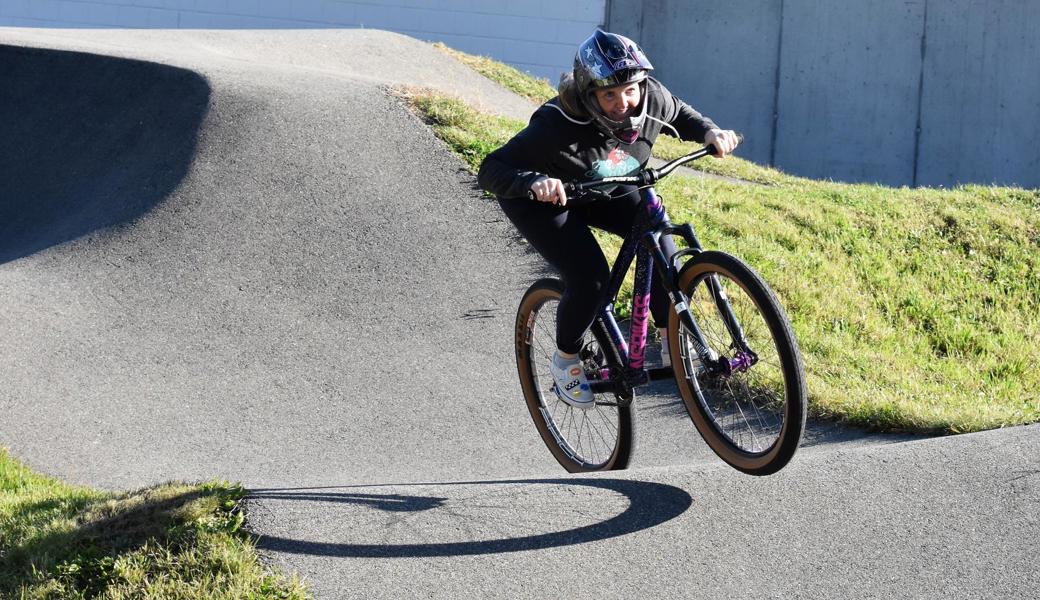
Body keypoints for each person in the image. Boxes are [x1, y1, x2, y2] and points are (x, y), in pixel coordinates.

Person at [477, 30, 739, 409]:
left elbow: (681, 114)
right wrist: (534, 182)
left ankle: (673, 343)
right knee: (591, 279)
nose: (624, 103)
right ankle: (566, 358)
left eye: (630, 91)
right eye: (609, 95)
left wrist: (710, 131)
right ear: (588, 94)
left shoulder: (650, 98)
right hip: (547, 200)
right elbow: (491, 168)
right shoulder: (557, 125)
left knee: (664, 247)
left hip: (606, 187)